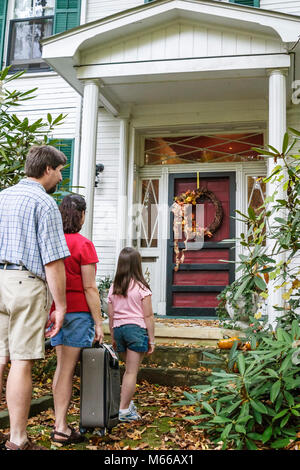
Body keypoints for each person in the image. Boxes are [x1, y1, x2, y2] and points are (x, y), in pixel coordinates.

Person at [0, 145, 70, 450]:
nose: (59, 177)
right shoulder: (44, 203)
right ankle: (17, 439)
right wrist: (62, 306)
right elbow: (53, 263)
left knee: (0, 355)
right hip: (24, 283)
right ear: (47, 170)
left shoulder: (2, 196)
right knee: (21, 361)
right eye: (59, 171)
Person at [50, 194, 104, 445]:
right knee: (67, 371)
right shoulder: (83, 245)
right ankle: (61, 427)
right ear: (81, 215)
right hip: (78, 314)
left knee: (62, 368)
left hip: (55, 312)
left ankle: (59, 423)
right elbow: (90, 288)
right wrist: (100, 323)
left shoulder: (53, 242)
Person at [108, 247, 155, 423]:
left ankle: (126, 403)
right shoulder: (142, 287)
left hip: (119, 331)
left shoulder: (114, 288)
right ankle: (124, 410)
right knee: (131, 372)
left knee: (127, 370)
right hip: (136, 330)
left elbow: (111, 316)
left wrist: (113, 336)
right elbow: (148, 316)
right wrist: (152, 339)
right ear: (137, 265)